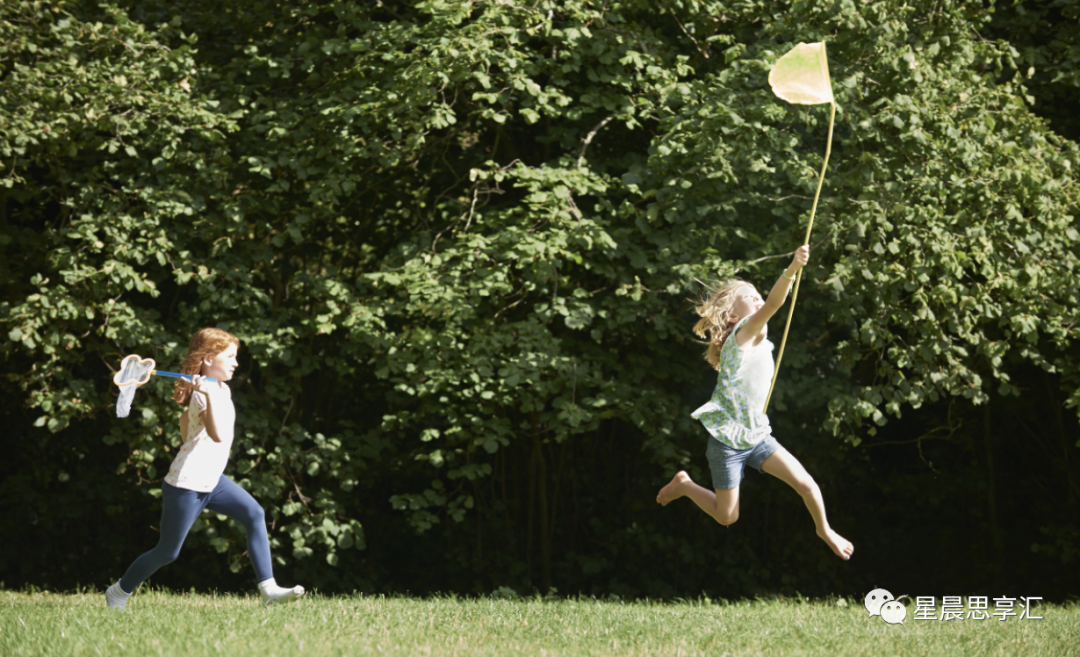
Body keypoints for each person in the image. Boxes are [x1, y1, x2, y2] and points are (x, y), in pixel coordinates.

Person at [656, 245, 854, 560]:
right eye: (750, 297)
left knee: (806, 483)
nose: (758, 298)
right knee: (727, 517)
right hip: (726, 441)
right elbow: (775, 302)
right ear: (734, 315)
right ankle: (685, 485)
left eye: (758, 294)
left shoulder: (758, 338)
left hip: (756, 434)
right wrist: (791, 269)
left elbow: (770, 304)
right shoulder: (742, 333)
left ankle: (824, 530)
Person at [105, 328, 306, 608]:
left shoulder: (220, 388)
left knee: (254, 514)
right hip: (187, 483)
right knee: (168, 552)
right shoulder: (204, 394)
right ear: (209, 359)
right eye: (231, 356)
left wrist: (205, 399)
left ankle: (268, 590)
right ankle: (119, 591)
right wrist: (205, 397)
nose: (236, 363)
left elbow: (185, 427)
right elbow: (217, 434)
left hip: (212, 479)